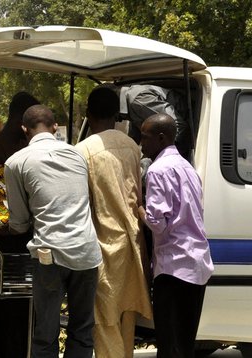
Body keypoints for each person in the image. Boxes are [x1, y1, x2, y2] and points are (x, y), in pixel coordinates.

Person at [4, 104, 102, 358]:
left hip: (50, 254)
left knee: (45, 333)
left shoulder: (16, 162)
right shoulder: (77, 155)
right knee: (82, 329)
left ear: (24, 129)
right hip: (86, 252)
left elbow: (19, 222)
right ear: (55, 127)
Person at [75, 87, 152, 358]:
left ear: (88, 113)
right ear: (117, 114)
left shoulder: (82, 150)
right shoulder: (132, 145)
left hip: (103, 244)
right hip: (132, 242)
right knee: (125, 318)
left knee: (104, 321)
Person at [138, 113, 214, 358]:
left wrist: (138, 208)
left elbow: (157, 223)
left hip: (173, 268)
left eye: (145, 138)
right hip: (196, 265)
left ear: (161, 138)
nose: (141, 144)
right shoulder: (188, 168)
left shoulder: (157, 171)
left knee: (170, 347)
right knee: (184, 345)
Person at [0, 91, 39, 358]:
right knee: (6, 313)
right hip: (2, 243)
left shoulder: (9, 146)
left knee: (20, 314)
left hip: (19, 241)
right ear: (20, 119)